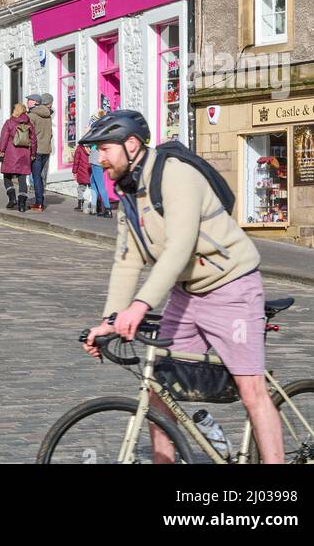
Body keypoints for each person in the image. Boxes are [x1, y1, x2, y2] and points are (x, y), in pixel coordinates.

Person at [81, 111, 284, 465]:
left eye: (104, 149)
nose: (99, 158)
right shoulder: (128, 193)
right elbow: (127, 261)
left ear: (131, 146)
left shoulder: (175, 175)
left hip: (232, 287)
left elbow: (179, 248)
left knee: (251, 390)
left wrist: (140, 307)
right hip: (186, 294)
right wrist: (111, 320)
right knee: (159, 386)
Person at [0, 102, 37, 213]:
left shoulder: (9, 123)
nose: (12, 110)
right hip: (25, 155)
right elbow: (33, 141)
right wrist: (33, 153)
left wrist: (1, 151)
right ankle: (22, 205)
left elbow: (4, 138)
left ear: (17, 111)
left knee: (7, 177)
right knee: (22, 179)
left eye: (14, 109)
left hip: (11, 154)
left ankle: (12, 199)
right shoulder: (29, 124)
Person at [26, 92, 53, 212]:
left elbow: (29, 134)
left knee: (36, 177)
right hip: (46, 150)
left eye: (29, 100)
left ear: (36, 102)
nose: (27, 102)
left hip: (36, 150)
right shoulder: (48, 115)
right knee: (40, 176)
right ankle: (40, 199)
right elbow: (50, 134)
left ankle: (39, 203)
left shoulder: (32, 116)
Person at [71, 139, 92, 211]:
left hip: (82, 173)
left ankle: (80, 204)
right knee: (93, 189)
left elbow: (76, 161)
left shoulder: (79, 148)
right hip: (90, 172)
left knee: (80, 188)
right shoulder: (92, 147)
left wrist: (74, 171)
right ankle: (93, 203)